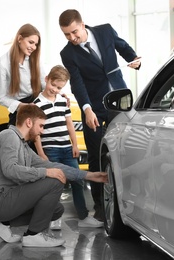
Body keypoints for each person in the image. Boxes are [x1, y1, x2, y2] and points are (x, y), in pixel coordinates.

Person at [0, 104, 108, 247]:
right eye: (41, 126)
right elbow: (10, 170)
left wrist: (90, 176)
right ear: (29, 122)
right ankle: (34, 234)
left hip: (3, 201)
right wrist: (46, 173)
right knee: (55, 181)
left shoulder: (23, 147)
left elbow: (53, 166)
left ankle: (4, 222)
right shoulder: (9, 136)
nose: (42, 131)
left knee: (56, 209)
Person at [58, 9, 141, 220]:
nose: (72, 38)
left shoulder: (105, 32)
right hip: (92, 107)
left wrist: (134, 59)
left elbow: (123, 47)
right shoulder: (68, 54)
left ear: (82, 24)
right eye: (67, 35)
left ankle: (129, 204)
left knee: (124, 152)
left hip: (119, 101)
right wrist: (87, 109)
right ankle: (101, 210)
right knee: (95, 157)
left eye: (74, 32)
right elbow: (77, 83)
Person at [33, 65, 103, 229]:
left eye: (59, 87)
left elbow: (69, 124)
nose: (55, 90)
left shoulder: (63, 101)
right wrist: (41, 153)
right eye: (53, 85)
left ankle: (84, 217)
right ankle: (53, 217)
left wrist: (75, 145)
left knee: (78, 180)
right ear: (46, 80)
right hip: (50, 150)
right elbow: (36, 133)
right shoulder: (37, 104)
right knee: (54, 184)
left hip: (67, 149)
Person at [0, 23, 46, 126]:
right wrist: (22, 106)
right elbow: (1, 98)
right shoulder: (2, 63)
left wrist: (58, 95)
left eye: (36, 44)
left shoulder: (35, 59)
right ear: (19, 39)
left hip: (37, 107)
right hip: (19, 112)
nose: (34, 47)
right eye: (31, 42)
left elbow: (44, 84)